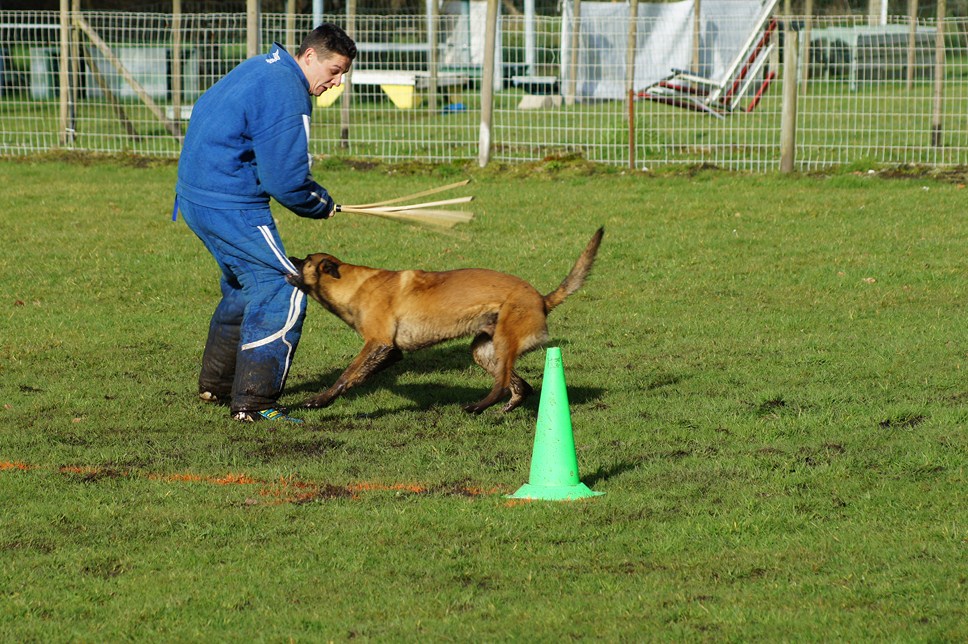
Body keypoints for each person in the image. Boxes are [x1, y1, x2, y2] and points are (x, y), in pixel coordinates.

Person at [175, 24, 357, 423]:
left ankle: (217, 386)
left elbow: (206, 108)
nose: (337, 82)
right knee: (282, 287)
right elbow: (285, 179)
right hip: (229, 204)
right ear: (310, 57)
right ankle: (254, 405)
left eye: (343, 74)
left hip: (195, 195)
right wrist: (317, 203)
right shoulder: (288, 93)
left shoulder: (264, 65)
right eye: (334, 71)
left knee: (246, 285)